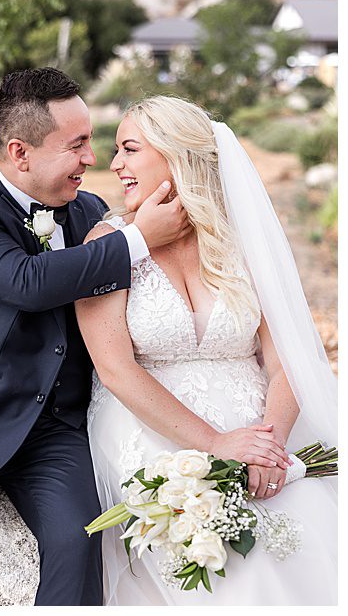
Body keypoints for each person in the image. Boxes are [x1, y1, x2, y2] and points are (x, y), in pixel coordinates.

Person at [0, 68, 209, 605]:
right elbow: (28, 282)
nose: (93, 159)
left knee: (79, 545)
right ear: (20, 153)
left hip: (54, 431)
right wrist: (138, 238)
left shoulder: (89, 212)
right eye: (78, 145)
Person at [77, 96, 336, 605]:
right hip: (147, 424)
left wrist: (272, 447)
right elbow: (115, 370)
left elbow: (284, 363)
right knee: (218, 560)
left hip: (260, 420)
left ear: (176, 155)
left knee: (299, 531)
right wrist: (216, 443)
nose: (114, 165)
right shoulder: (109, 242)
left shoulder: (240, 240)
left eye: (129, 149)